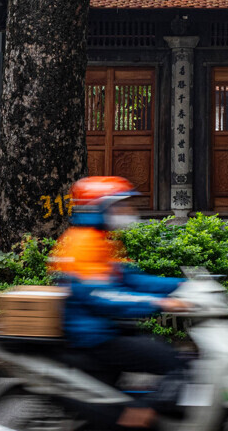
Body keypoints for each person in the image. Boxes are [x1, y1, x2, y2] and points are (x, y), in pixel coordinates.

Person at [49, 176, 190, 429]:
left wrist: (182, 285)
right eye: (119, 206)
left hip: (107, 328)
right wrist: (159, 303)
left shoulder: (100, 240)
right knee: (172, 362)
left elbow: (131, 279)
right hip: (95, 336)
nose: (126, 212)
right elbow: (103, 297)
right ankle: (140, 416)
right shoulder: (83, 244)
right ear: (99, 208)